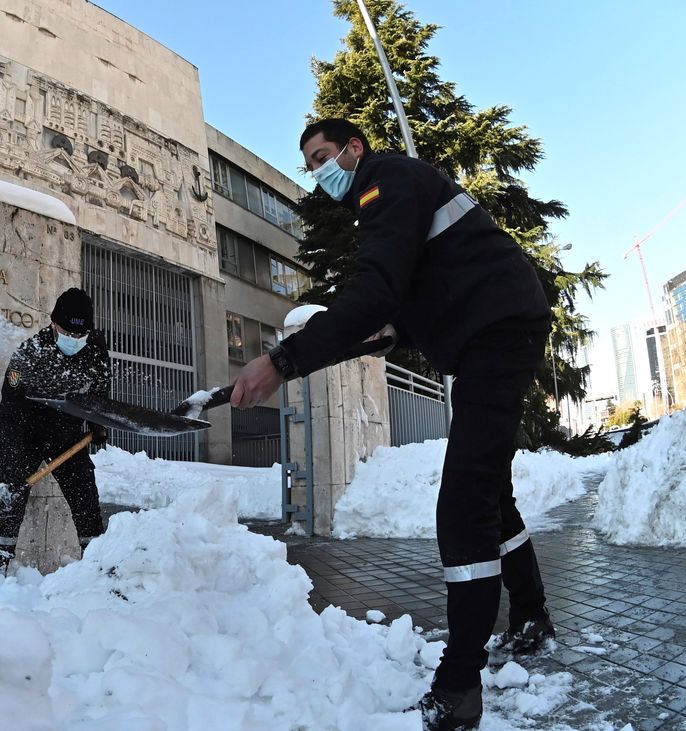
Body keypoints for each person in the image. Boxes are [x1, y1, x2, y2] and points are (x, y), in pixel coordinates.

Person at [231, 119, 555, 731]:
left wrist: (281, 362)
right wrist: (396, 330)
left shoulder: (386, 179)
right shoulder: (392, 195)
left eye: (323, 156)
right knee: (488, 493)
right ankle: (532, 612)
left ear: (354, 149)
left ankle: (459, 685)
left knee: (462, 507)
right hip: (492, 332)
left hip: (497, 333)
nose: (319, 172)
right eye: (310, 165)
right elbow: (412, 287)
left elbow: (376, 287)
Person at [0, 287, 111, 578]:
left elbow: (100, 391)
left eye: (81, 335)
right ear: (53, 323)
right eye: (68, 333)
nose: (75, 340)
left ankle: (99, 568)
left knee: (86, 496)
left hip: (67, 433)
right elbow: (10, 416)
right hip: (27, 430)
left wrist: (97, 423)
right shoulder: (29, 354)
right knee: (11, 495)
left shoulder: (96, 347)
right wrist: (6, 471)